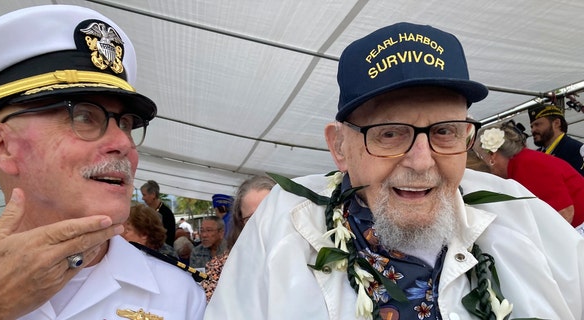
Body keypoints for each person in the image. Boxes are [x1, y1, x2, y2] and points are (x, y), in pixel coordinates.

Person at [205, 22, 584, 320]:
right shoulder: (283, 224)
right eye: (389, 134)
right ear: (340, 147)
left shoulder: (521, 214)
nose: (421, 161)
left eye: (445, 132)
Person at [0, 5, 205, 319]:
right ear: (2, 146)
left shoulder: (179, 294)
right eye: (83, 116)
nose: (123, 143)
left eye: (125, 123)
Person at [474, 121, 584, 228]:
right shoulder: (521, 163)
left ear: (492, 155)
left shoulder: (527, 165)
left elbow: (564, 212)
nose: (481, 163)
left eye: (481, 157)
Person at [202, 175, 276, 302]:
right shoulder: (220, 269)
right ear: (241, 222)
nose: (263, 223)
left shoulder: (309, 261)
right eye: (252, 218)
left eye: (269, 213)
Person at [528, 104, 584, 176]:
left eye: (537, 124)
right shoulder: (536, 155)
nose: (533, 130)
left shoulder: (577, 150)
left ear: (556, 123)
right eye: (532, 126)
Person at [141, 180, 176, 246]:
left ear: (153, 194)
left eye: (144, 195)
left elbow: (169, 238)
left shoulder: (166, 213)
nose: (142, 198)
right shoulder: (147, 212)